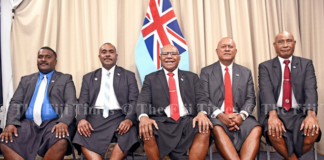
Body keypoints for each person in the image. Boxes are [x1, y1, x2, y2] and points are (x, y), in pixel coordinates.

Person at [136, 44, 211, 160]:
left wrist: (202, 113)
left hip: (186, 120)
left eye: (173, 54)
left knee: (204, 128)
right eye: (165, 54)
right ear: (160, 58)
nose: (169, 56)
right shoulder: (150, 79)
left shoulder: (192, 77)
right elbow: (142, 101)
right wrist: (143, 117)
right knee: (147, 129)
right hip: (161, 121)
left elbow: (202, 98)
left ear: (179, 58)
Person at [0, 47, 77, 160]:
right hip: (28, 123)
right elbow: (16, 102)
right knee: (5, 140)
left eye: (48, 57)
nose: (43, 59)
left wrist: (64, 122)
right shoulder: (26, 80)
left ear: (55, 62)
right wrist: (11, 123)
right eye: (40, 57)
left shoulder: (65, 79)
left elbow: (71, 102)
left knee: (61, 139)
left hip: (54, 122)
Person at [258, 31, 321, 159]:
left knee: (312, 132)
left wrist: (311, 114)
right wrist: (273, 115)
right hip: (276, 112)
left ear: (294, 43)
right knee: (273, 131)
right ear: (275, 45)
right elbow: (266, 91)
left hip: (299, 113)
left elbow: (310, 89)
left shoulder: (306, 64)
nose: (285, 45)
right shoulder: (265, 66)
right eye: (281, 42)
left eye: (289, 41)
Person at [73, 43, 140, 159]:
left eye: (111, 52)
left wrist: (129, 119)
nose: (107, 54)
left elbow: (134, 100)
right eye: (104, 52)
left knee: (130, 133)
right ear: (99, 56)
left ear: (116, 56)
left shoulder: (128, 76)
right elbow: (83, 101)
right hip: (94, 117)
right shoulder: (88, 77)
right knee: (81, 133)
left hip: (120, 116)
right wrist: (82, 119)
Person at [200, 37, 262, 160]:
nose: (227, 49)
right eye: (223, 47)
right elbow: (204, 98)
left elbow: (251, 98)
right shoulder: (206, 71)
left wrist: (241, 116)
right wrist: (220, 115)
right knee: (217, 127)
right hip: (216, 116)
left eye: (230, 47)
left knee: (256, 128)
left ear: (236, 51)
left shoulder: (245, 72)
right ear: (217, 51)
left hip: (240, 116)